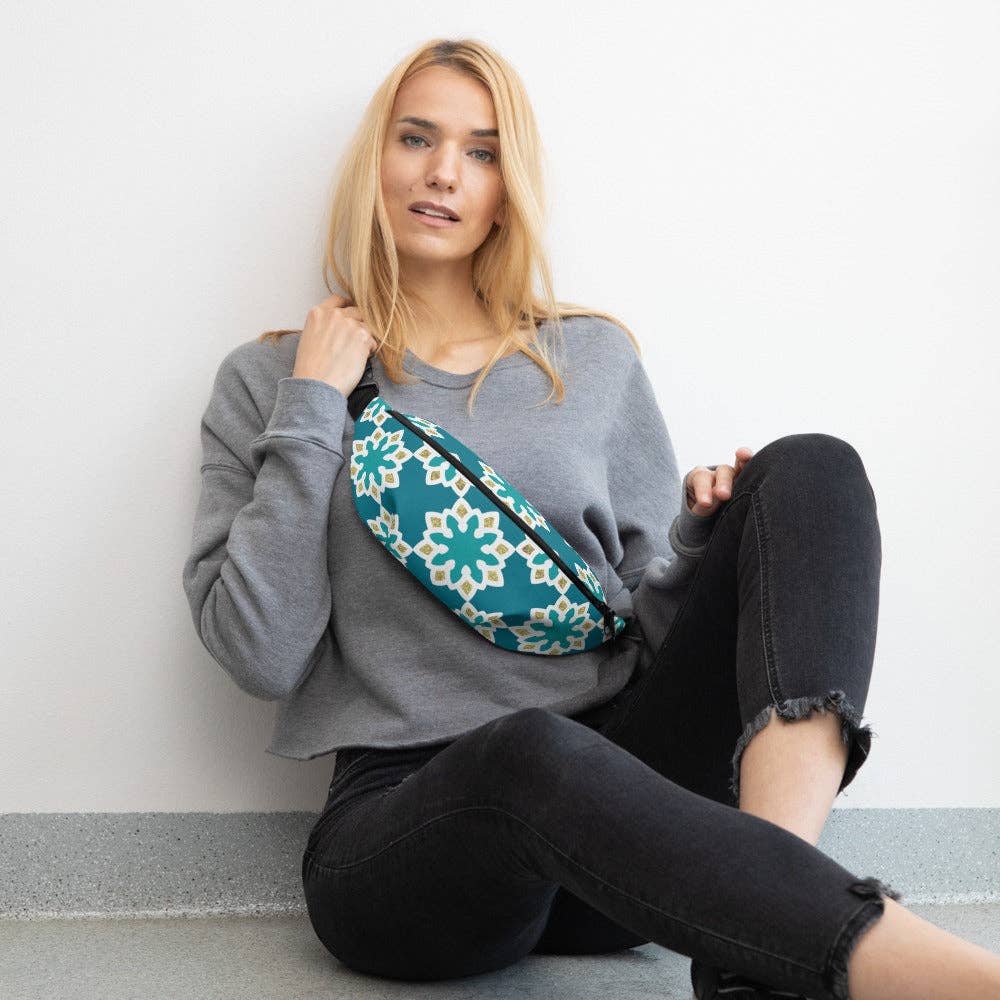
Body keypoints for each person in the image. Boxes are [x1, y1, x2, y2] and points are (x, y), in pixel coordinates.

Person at [181, 37, 1000, 1000]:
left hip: (627, 811)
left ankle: (761, 926)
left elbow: (640, 631)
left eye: (482, 152)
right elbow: (262, 655)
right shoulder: (270, 382)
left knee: (812, 467)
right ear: (376, 160)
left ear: (507, 190)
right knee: (529, 747)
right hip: (416, 834)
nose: (444, 172)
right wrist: (317, 403)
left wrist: (698, 545)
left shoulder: (591, 359)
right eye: (416, 138)